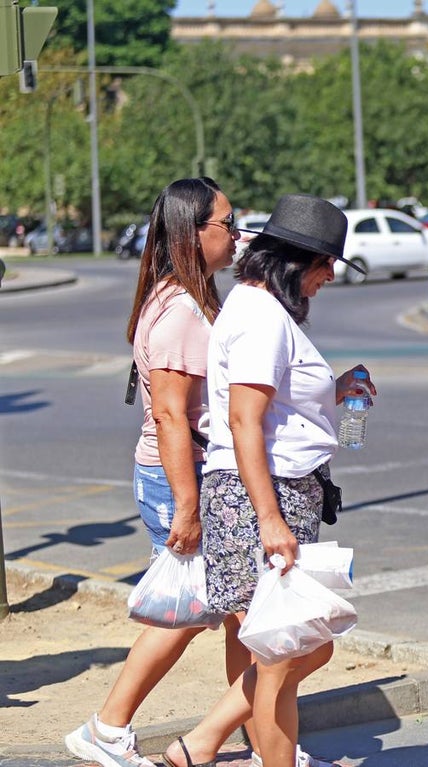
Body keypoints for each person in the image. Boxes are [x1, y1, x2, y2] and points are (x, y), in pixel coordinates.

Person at [159, 194, 375, 767]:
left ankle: (203, 743)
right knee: (286, 657)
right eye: (326, 263)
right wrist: (271, 520)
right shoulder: (259, 316)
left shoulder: (263, 311)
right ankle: (208, 744)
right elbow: (244, 421)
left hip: (274, 493)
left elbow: (273, 406)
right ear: (294, 261)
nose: (330, 275)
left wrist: (335, 387)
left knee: (293, 651)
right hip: (260, 498)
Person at [64, 177, 248, 767]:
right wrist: (188, 508)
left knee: (236, 613)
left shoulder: (190, 299)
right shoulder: (179, 312)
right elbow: (170, 415)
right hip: (180, 478)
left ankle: (261, 733)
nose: (237, 234)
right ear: (192, 235)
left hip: (191, 473)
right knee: (189, 611)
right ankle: (106, 725)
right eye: (226, 223)